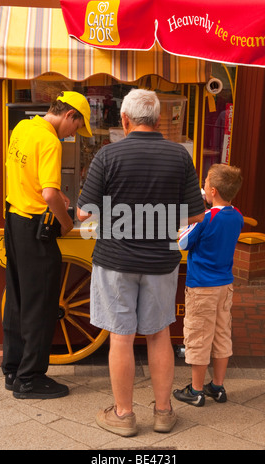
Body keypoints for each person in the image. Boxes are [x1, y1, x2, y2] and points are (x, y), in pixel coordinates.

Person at [77, 88, 205, 436]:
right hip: (162, 262)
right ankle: (163, 413)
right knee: (158, 333)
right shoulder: (180, 157)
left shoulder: (108, 155)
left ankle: (123, 415)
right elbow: (196, 216)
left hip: (115, 260)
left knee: (120, 336)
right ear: (159, 120)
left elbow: (85, 213)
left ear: (125, 120)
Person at [2, 91, 92, 399]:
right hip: (36, 229)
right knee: (41, 305)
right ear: (69, 116)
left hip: (13, 219)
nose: (74, 134)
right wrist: (66, 224)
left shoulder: (24, 128)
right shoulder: (51, 141)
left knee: (17, 299)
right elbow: (50, 195)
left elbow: (30, 178)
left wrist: (53, 196)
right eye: (77, 127)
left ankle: (13, 370)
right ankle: (30, 379)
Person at [173, 164, 243, 407]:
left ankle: (196, 391)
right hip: (225, 285)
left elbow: (182, 242)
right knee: (222, 335)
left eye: (204, 184)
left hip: (202, 286)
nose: (201, 186)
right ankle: (218, 386)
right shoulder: (237, 216)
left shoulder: (205, 218)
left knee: (199, 337)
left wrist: (196, 214)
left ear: (212, 191)